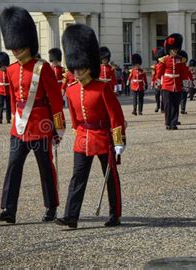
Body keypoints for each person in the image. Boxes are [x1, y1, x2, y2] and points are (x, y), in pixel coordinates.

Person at [0, 6, 66, 224]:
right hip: (20, 127)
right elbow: (14, 100)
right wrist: (14, 121)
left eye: (19, 46)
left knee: (45, 167)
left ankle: (51, 207)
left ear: (28, 45)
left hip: (41, 125)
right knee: (13, 165)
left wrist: (57, 128)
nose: (15, 50)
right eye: (13, 47)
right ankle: (8, 209)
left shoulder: (43, 69)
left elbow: (55, 100)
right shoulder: (11, 70)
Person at [55, 24, 126, 229]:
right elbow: (75, 119)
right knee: (77, 178)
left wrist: (119, 140)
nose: (77, 72)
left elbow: (116, 116)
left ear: (89, 66)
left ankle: (115, 214)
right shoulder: (71, 90)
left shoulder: (102, 88)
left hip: (104, 137)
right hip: (83, 138)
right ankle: (71, 216)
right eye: (74, 68)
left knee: (110, 177)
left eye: (80, 68)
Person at [156, 33, 189, 130]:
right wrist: (158, 83)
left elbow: (184, 73)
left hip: (177, 85)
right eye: (174, 49)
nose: (175, 51)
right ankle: (168, 122)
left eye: (176, 49)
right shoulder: (164, 60)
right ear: (169, 50)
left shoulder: (180, 60)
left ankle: (174, 123)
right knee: (167, 105)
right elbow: (159, 73)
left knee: (175, 105)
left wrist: (186, 84)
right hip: (167, 84)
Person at [0, 52, 11, 124]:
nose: (3, 67)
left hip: (8, 90)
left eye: (4, 66)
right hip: (0, 91)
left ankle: (8, 118)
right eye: (2, 66)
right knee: (0, 105)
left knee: (8, 106)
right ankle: (0, 118)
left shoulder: (9, 72)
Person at [151, 47, 165, 113]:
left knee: (163, 95)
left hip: (163, 80)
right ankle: (157, 106)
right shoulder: (155, 65)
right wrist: (152, 81)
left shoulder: (164, 64)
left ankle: (162, 107)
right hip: (157, 81)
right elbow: (154, 74)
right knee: (157, 95)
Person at [178, 50, 192, 114]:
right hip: (179, 81)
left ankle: (182, 109)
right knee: (181, 96)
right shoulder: (179, 66)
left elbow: (190, 76)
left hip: (185, 82)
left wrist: (191, 82)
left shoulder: (186, 67)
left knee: (184, 96)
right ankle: (181, 109)